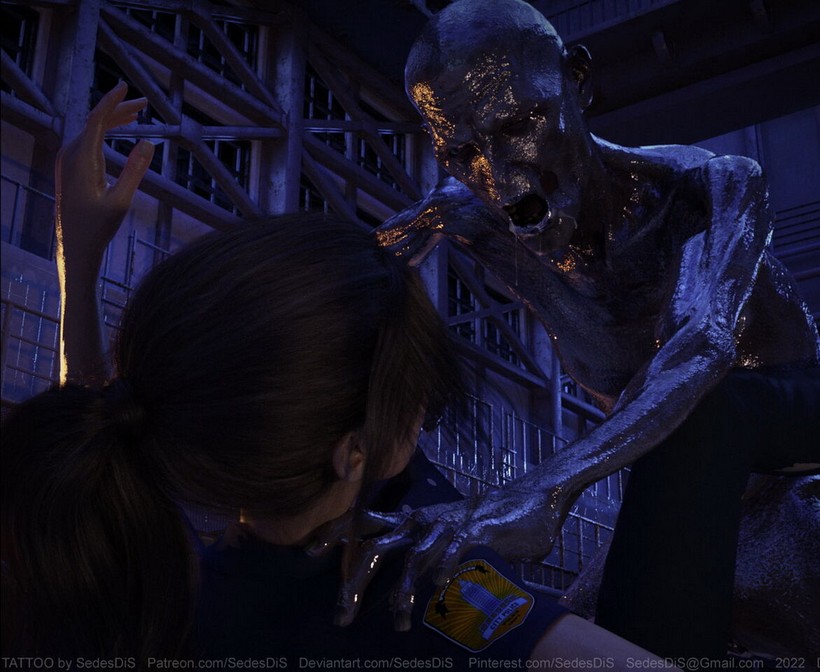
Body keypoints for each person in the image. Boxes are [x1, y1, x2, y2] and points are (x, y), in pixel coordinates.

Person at [0, 84, 680, 668]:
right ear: (350, 453)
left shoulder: (171, 578)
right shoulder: (410, 594)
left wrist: (78, 256)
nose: (423, 409)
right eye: (412, 393)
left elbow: (103, 409)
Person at [358, 0, 820, 658]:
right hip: (664, 514)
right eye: (463, 152)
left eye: (520, 123)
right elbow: (343, 280)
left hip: (777, 500)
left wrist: (546, 488)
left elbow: (701, 346)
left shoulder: (709, 191)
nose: (501, 182)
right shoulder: (463, 213)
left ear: (578, 81)